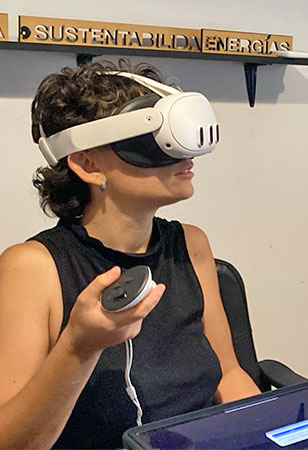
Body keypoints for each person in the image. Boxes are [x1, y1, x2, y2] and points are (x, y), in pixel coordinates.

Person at [0, 61, 261, 448]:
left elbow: (228, 375)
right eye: (153, 142)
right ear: (88, 164)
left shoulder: (191, 245)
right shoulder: (32, 267)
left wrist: (267, 435)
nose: (185, 155)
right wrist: (79, 346)